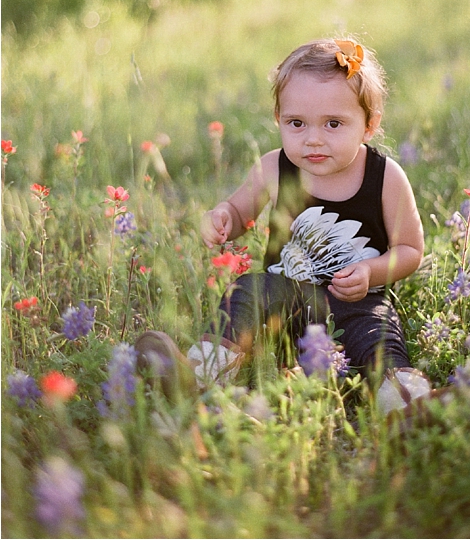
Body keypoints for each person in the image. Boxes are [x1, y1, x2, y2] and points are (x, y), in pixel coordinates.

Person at [133, 39, 431, 414]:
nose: (313, 138)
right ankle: (199, 372)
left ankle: (402, 402)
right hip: (283, 301)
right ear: (278, 119)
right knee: (247, 291)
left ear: (369, 125)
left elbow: (410, 250)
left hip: (357, 303)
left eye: (334, 124)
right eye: (296, 123)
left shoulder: (386, 177)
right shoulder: (275, 167)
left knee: (378, 334)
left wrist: (371, 273)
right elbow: (241, 213)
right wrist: (223, 216)